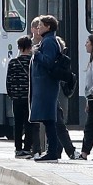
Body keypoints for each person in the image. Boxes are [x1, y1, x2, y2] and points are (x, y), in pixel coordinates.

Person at [29, 15, 62, 162]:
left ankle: (52, 151)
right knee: (48, 119)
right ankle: (51, 150)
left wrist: (37, 54)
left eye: (41, 25)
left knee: (49, 119)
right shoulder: (47, 40)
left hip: (46, 86)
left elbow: (48, 61)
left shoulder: (49, 42)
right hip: (44, 85)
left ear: (48, 27)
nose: (38, 28)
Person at [6, 35, 40, 158]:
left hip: (17, 98)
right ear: (30, 47)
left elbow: (8, 81)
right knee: (29, 123)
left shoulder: (13, 63)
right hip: (30, 98)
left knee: (18, 124)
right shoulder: (33, 61)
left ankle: (18, 149)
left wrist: (12, 94)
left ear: (19, 47)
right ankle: (27, 148)